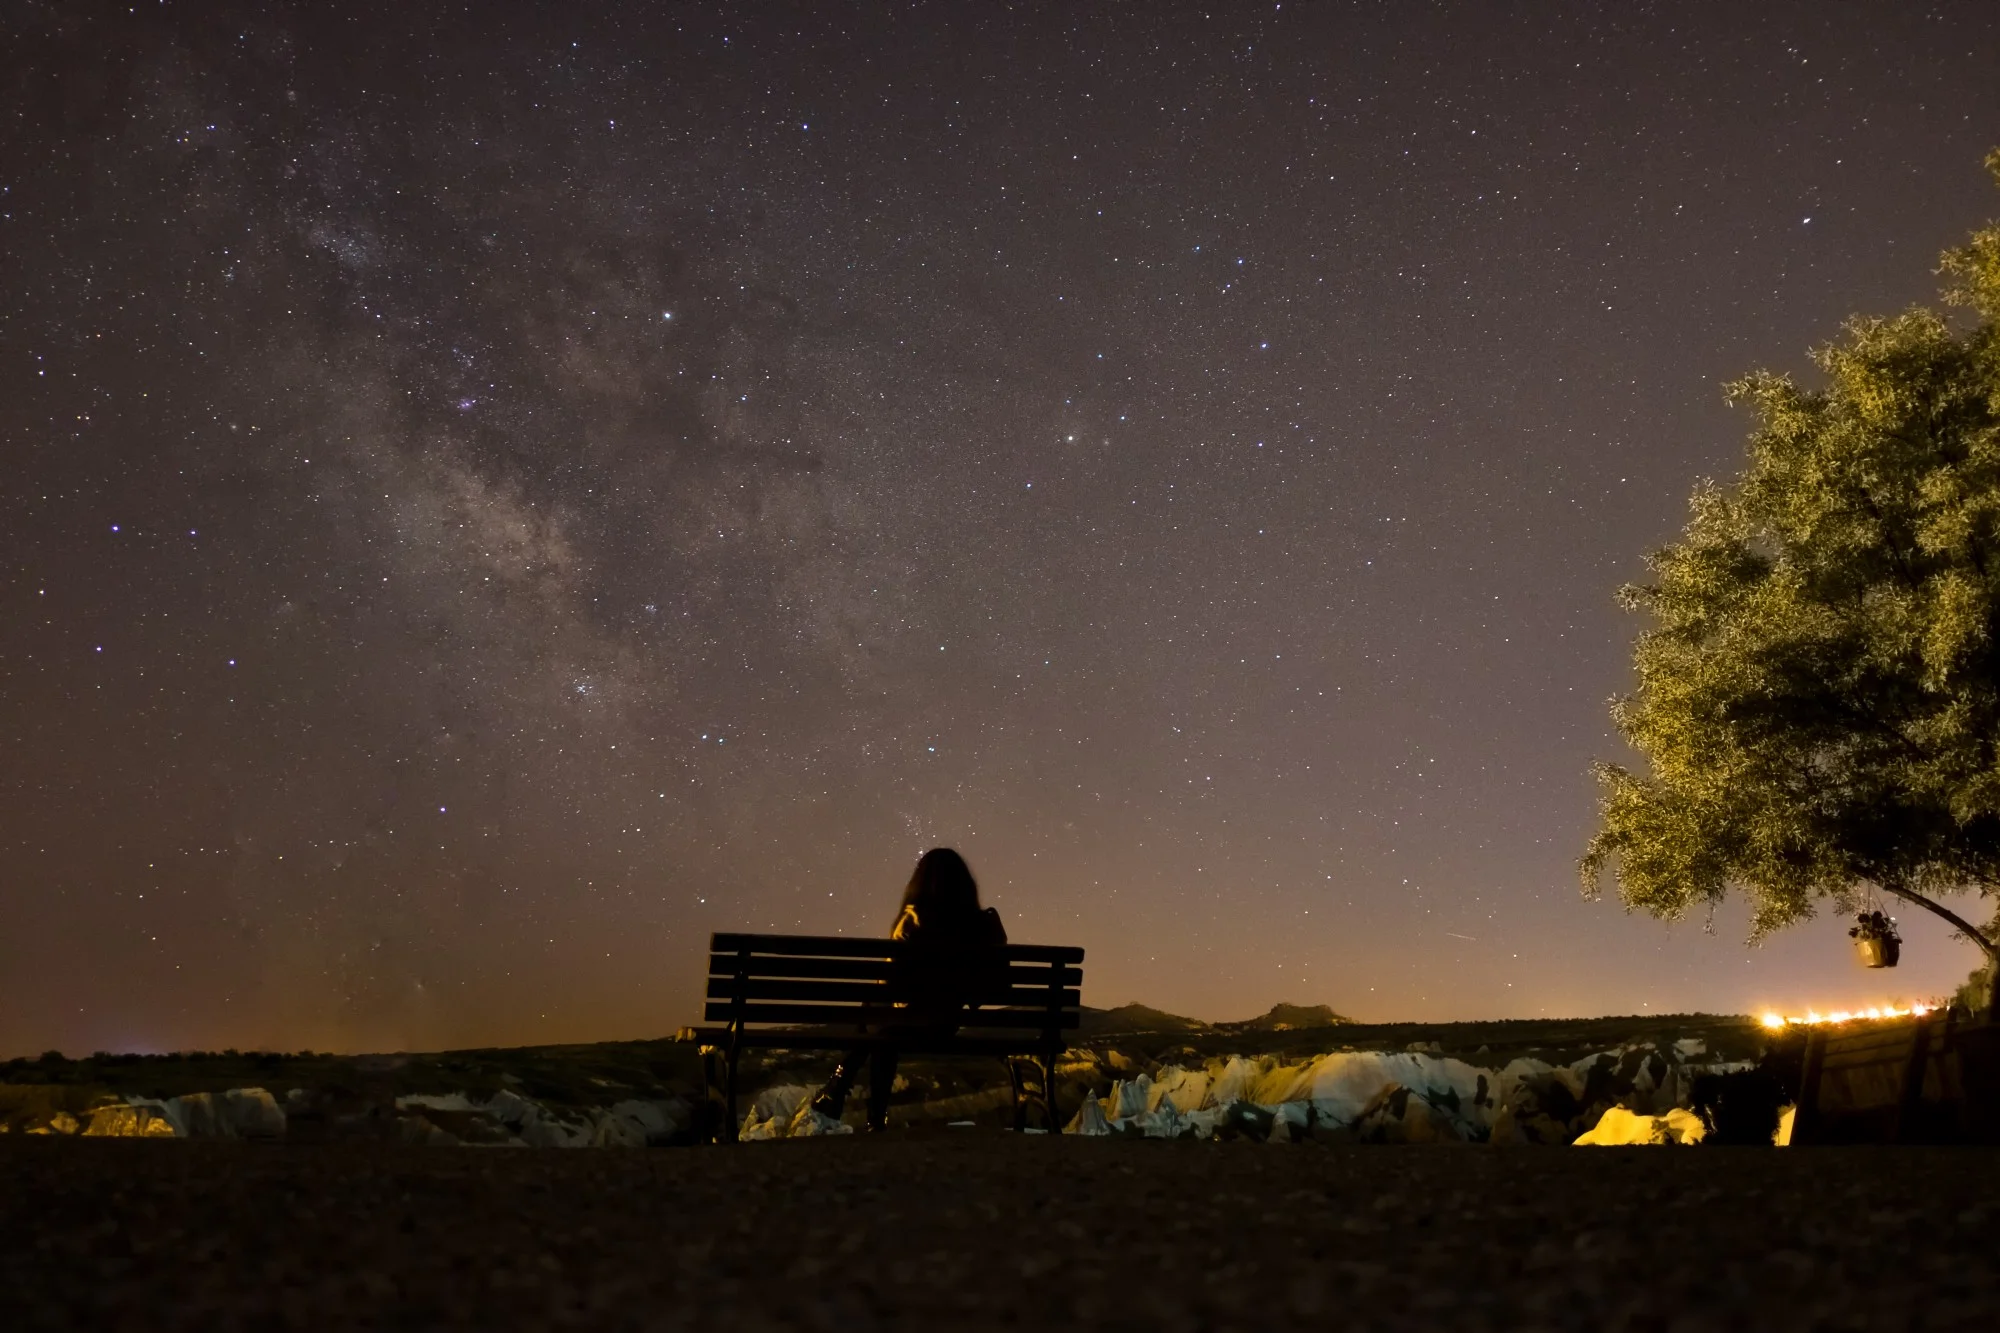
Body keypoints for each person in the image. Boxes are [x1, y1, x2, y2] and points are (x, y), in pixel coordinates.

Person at [809, 847, 1008, 1123]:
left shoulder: (912, 919)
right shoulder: (982, 923)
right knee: (882, 1020)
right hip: (946, 1024)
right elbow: (996, 985)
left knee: (878, 1016)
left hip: (906, 1023)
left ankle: (847, 1095)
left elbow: (888, 983)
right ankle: (841, 1092)